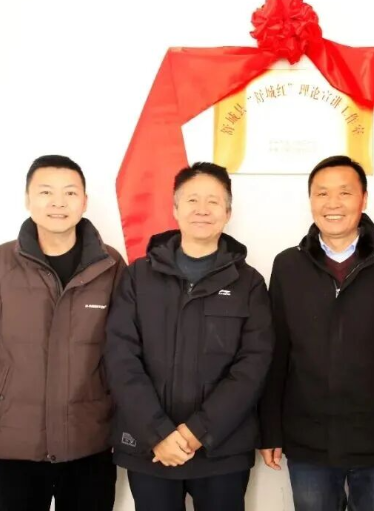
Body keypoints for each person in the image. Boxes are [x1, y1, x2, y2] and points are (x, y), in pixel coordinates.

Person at [0, 155, 125, 511]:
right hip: (13, 446)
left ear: (85, 201)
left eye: (70, 192)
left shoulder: (111, 266)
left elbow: (127, 354)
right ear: (28, 199)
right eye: (45, 192)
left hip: (90, 443)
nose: (58, 202)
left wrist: (128, 432)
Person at [258, 156, 374, 511]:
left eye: (345, 192)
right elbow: (276, 354)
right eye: (322, 193)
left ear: (364, 199)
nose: (333, 203)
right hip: (308, 441)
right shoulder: (288, 266)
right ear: (311, 201)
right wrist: (269, 430)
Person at [104, 162, 273, 511]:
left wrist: (198, 431)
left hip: (222, 450)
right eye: (192, 200)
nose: (202, 209)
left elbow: (252, 368)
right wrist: (158, 433)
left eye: (213, 201)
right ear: (175, 208)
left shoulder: (249, 283)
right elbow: (121, 359)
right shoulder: (138, 277)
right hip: (150, 450)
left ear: (228, 213)